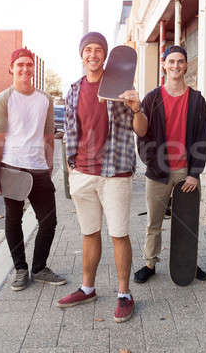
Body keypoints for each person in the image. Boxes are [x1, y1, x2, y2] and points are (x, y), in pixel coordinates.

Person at [56, 32, 138, 323]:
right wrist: (71, 166)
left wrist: (136, 106)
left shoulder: (119, 87)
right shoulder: (75, 89)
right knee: (89, 232)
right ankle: (87, 288)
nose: (93, 54)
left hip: (115, 172)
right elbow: (68, 129)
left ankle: (124, 294)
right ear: (82, 54)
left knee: (118, 234)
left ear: (105, 55)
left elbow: (140, 129)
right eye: (88, 49)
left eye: (98, 50)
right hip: (83, 173)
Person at [120, 45, 206, 284]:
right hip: (158, 170)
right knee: (154, 222)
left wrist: (195, 174)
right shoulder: (152, 98)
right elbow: (140, 131)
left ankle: (188, 263)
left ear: (186, 65)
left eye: (180, 61)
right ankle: (150, 263)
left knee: (188, 222)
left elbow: (202, 137)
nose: (176, 66)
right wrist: (137, 110)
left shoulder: (196, 100)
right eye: (171, 61)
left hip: (185, 172)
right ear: (164, 65)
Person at [0, 48, 66, 291]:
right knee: (13, 220)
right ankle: (20, 269)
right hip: (13, 169)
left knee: (49, 221)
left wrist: (50, 166)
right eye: (20, 64)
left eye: (29, 64)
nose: (25, 69)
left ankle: (39, 268)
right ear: (11, 67)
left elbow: (49, 137)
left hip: (39, 168)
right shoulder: (4, 99)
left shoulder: (45, 99)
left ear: (33, 69)